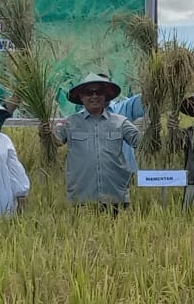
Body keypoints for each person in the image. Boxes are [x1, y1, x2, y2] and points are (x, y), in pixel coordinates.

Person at [49, 73, 140, 214]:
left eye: (99, 92)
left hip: (116, 197)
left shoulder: (120, 122)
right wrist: (44, 133)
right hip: (82, 199)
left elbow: (141, 142)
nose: (94, 96)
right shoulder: (70, 123)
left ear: (106, 96)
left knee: (119, 236)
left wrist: (155, 127)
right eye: (88, 93)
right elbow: (55, 142)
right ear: (81, 97)